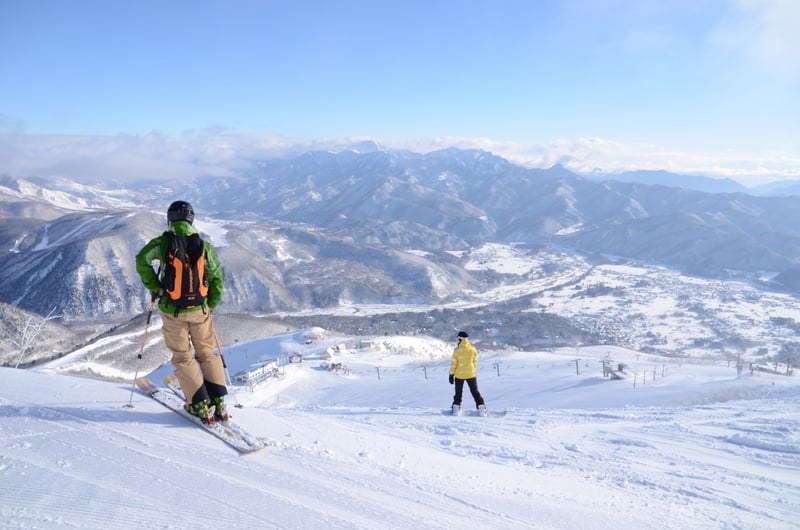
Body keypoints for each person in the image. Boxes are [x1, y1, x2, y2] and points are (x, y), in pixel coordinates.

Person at [135, 200, 228, 423]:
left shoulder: (163, 243)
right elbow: (216, 277)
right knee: (206, 353)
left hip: (173, 310)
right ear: (191, 220)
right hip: (200, 310)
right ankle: (218, 401)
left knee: (183, 357)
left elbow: (141, 260)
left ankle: (199, 404)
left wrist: (155, 286)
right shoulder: (204, 246)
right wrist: (210, 303)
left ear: (170, 219)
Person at [448, 331, 486, 415]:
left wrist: (451, 374)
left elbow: (454, 364)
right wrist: (473, 371)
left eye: (458, 339)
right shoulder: (472, 349)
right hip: (471, 374)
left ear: (460, 339)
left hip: (459, 375)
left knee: (458, 393)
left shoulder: (457, 351)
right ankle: (482, 408)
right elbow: (475, 362)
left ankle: (456, 408)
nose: (457, 341)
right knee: (475, 391)